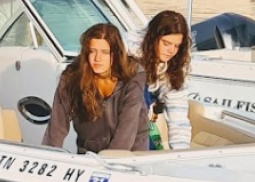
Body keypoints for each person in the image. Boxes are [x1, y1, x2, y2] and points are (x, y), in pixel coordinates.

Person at [43, 23, 148, 153]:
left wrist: (111, 159)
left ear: (116, 53)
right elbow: (57, 126)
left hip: (131, 152)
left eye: (105, 52)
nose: (97, 58)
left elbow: (127, 129)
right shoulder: (71, 77)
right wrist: (48, 156)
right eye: (92, 51)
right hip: (89, 152)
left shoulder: (133, 76)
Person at [126, 10, 192, 150]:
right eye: (166, 43)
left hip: (142, 129)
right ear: (153, 38)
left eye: (177, 46)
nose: (171, 51)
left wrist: (180, 154)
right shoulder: (126, 56)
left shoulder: (173, 70)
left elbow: (179, 120)